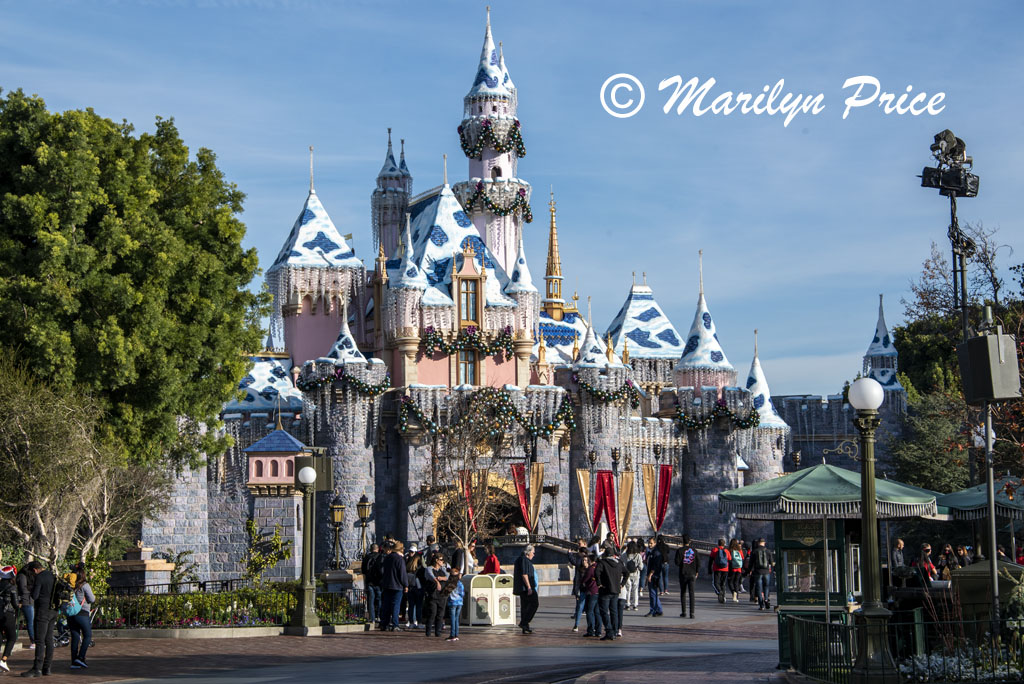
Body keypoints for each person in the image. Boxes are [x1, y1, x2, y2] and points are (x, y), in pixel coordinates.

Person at [22, 561, 56, 677]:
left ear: (35, 570)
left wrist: (31, 589)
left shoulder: (40, 578)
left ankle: (37, 668)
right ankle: (47, 667)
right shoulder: (52, 575)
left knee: (40, 640)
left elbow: (35, 596)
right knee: (49, 639)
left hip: (42, 610)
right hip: (53, 611)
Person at [68, 563, 94, 669]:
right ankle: (81, 657)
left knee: (75, 637)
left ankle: (74, 661)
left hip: (71, 613)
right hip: (82, 613)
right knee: (87, 635)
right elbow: (92, 599)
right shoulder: (84, 585)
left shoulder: (69, 585)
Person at [595, 545, 623, 640]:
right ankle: (615, 631)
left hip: (605, 590)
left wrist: (599, 583)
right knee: (614, 611)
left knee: (603, 611)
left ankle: (609, 631)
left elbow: (596, 572)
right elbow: (626, 573)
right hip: (616, 590)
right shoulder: (619, 563)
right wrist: (622, 584)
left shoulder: (602, 563)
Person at [380, 541, 408, 631]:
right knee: (395, 606)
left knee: (386, 605)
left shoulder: (387, 557)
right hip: (397, 585)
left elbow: (382, 571)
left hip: (387, 584)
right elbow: (402, 573)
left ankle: (385, 624)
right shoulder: (399, 559)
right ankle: (395, 624)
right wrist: (406, 584)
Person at [513, 545, 539, 634]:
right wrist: (529, 587)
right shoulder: (524, 560)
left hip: (522, 588)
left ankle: (525, 626)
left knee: (525, 606)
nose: (534, 555)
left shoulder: (521, 559)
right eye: (533, 552)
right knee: (535, 603)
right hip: (526, 588)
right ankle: (524, 622)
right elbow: (524, 574)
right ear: (528, 553)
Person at [421, 552, 445, 638]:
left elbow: (449, 576)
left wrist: (441, 578)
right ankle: (428, 632)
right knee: (432, 613)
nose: (442, 562)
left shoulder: (443, 569)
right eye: (441, 560)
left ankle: (438, 632)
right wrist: (437, 581)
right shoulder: (429, 569)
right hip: (432, 595)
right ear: (436, 560)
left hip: (442, 595)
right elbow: (430, 576)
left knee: (440, 614)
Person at [0, 566, 19, 673]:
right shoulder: (12, 587)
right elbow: (15, 604)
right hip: (7, 614)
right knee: (12, 637)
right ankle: (4, 659)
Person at [674, 535, 698, 618]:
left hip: (683, 573)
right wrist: (697, 571)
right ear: (690, 541)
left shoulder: (680, 550)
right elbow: (698, 562)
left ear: (682, 541)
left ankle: (683, 612)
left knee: (683, 593)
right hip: (692, 574)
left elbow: (676, 562)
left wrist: (683, 564)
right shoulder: (694, 551)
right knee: (692, 593)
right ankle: (692, 613)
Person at [361, 544, 383, 627]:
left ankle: (372, 618)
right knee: (380, 599)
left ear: (371, 549)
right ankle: (380, 616)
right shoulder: (380, 557)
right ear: (377, 549)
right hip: (378, 582)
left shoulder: (366, 557)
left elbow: (363, 570)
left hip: (369, 581)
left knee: (371, 600)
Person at [749, 538, 774, 611]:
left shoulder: (754, 551)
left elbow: (751, 563)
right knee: (766, 587)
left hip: (757, 572)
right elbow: (771, 562)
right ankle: (766, 599)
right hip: (766, 572)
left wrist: (749, 571)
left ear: (758, 543)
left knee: (759, 588)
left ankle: (761, 605)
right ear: (764, 543)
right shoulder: (768, 551)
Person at [568, 541, 588, 632]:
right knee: (580, 606)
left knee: (590, 609)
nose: (584, 561)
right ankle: (576, 625)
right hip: (582, 589)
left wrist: (569, 554)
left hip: (589, 590)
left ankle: (592, 626)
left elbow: (573, 561)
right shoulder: (581, 565)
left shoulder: (590, 567)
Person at [15, 564, 33, 651]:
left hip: (29, 601)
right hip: (26, 601)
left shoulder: (24, 576)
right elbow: (23, 589)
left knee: (30, 622)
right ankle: (33, 641)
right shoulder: (22, 576)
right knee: (30, 622)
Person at [581, 555, 600, 637]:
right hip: (599, 591)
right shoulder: (599, 567)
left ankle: (591, 630)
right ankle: (598, 631)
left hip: (591, 591)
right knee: (597, 612)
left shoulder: (591, 568)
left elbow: (585, 579)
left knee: (589, 611)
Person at [644, 540, 664, 617]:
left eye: (651, 543)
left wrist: (650, 574)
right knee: (653, 593)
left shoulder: (656, 553)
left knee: (653, 593)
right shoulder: (651, 552)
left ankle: (653, 610)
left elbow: (655, 566)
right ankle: (658, 609)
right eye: (649, 543)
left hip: (654, 575)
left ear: (655, 543)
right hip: (652, 574)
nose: (649, 544)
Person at [622, 541, 642, 611]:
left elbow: (622, 566)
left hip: (627, 574)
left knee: (628, 589)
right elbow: (641, 567)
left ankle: (627, 604)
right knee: (635, 589)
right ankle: (635, 604)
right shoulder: (638, 555)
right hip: (636, 574)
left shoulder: (624, 555)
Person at [445, 568, 464, 642]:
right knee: (456, 619)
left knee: (452, 619)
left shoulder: (450, 583)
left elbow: (446, 592)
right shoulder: (460, 583)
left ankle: (452, 635)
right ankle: (456, 634)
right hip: (459, 602)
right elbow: (462, 593)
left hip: (452, 602)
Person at [709, 538, 730, 603]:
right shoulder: (727, 551)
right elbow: (729, 560)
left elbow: (710, 560)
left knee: (716, 583)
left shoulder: (715, 550)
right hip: (725, 569)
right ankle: (723, 597)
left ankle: (719, 592)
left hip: (717, 569)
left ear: (718, 543)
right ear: (724, 544)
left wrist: (709, 569)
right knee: (723, 583)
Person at [405, 553, 423, 629]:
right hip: (418, 588)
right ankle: (419, 622)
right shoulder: (420, 569)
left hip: (410, 587)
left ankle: (411, 622)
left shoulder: (408, 568)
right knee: (419, 606)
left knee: (411, 606)